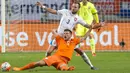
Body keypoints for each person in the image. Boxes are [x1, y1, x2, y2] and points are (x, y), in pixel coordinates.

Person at [36, 1, 105, 70]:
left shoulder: (78, 18)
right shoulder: (65, 11)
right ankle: (45, 62)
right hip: (59, 37)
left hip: (69, 39)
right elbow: (52, 11)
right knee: (48, 52)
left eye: (75, 7)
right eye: (72, 6)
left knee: (80, 51)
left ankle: (91, 66)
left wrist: (98, 25)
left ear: (78, 9)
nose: (73, 8)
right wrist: (43, 6)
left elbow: (88, 26)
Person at [13, 28, 92, 71]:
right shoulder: (59, 39)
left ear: (71, 34)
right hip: (55, 57)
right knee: (38, 63)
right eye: (64, 33)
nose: (65, 35)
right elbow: (53, 31)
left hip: (64, 61)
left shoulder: (74, 41)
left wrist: (90, 28)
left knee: (64, 68)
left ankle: (67, 68)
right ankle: (20, 69)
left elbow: (84, 37)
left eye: (67, 33)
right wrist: (55, 31)